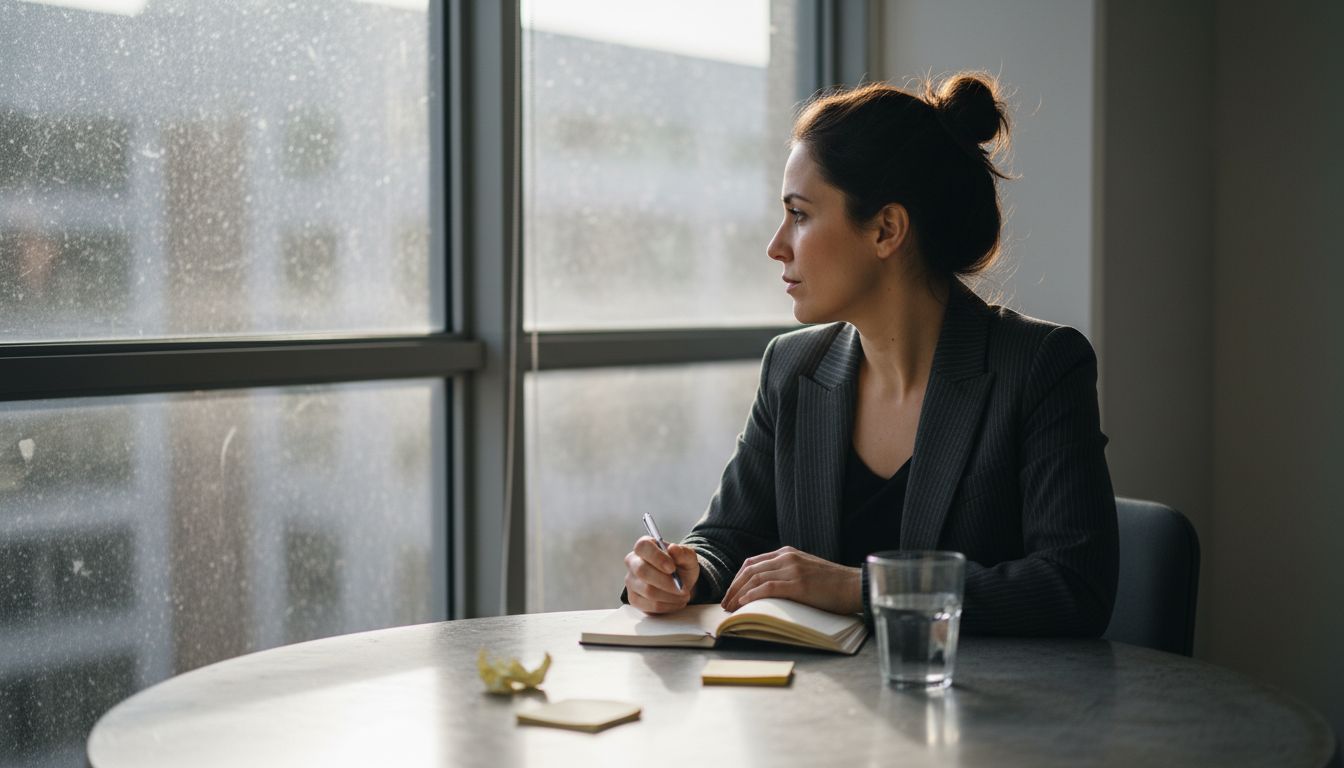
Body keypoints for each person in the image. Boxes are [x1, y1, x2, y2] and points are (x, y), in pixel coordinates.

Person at [622, 74, 1118, 636]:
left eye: (801, 215)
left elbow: (1073, 588)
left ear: (886, 229)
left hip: (985, 714)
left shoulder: (1040, 367)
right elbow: (731, 536)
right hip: (820, 714)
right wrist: (687, 572)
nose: (775, 245)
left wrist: (855, 588)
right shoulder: (792, 369)